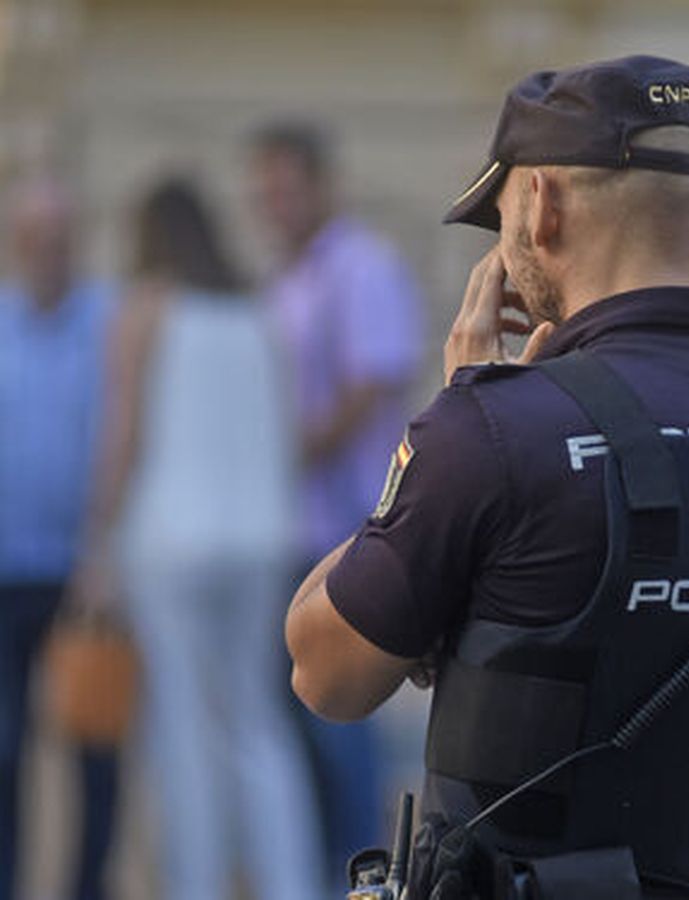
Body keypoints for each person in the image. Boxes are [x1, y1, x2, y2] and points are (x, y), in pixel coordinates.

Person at [284, 55, 689, 899]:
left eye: (503, 214)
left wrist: (457, 416)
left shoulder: (492, 430)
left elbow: (323, 672)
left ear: (542, 204)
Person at [72, 177, 322, 899]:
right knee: (258, 721)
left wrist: (96, 543)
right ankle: (290, 884)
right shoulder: (258, 308)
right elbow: (284, 429)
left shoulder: (145, 307)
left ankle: (198, 884)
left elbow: (122, 436)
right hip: (261, 540)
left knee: (182, 727)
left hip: (171, 544)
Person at [251, 120, 422, 876]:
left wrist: (284, 451)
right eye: (265, 191)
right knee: (297, 725)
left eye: (288, 188)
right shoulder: (285, 279)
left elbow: (371, 384)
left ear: (322, 186)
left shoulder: (361, 266)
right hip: (288, 531)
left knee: (341, 725)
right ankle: (323, 872)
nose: (274, 204)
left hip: (348, 531)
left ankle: (361, 875)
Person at [0, 177, 119, 900]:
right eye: (33, 239)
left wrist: (106, 553)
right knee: (3, 752)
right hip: (6, 574)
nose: (47, 253)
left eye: (59, 240)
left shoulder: (110, 323)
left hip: (86, 578)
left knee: (96, 747)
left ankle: (87, 889)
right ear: (15, 246)